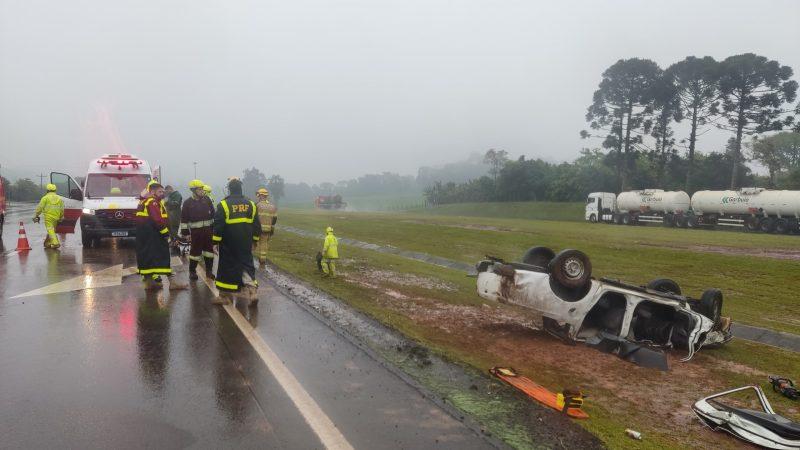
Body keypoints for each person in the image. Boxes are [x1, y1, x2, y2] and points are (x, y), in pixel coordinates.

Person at [212, 178, 260, 305]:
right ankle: (253, 291)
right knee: (246, 265)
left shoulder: (223, 204)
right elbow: (256, 225)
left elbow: (218, 226)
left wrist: (215, 242)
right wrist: (254, 241)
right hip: (245, 243)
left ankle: (223, 296)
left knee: (226, 268)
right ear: (240, 189)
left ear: (229, 189)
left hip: (228, 243)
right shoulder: (251, 204)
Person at [135, 180, 186, 291]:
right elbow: (158, 220)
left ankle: (149, 284)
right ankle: (172, 283)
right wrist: (166, 234)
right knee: (164, 258)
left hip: (145, 237)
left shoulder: (143, 201)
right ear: (152, 191)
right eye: (160, 191)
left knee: (147, 260)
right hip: (154, 236)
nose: (163, 193)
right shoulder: (152, 202)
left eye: (163, 191)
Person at [180, 179, 215, 280]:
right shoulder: (187, 203)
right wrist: (186, 234)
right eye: (199, 189)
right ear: (193, 190)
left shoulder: (207, 200)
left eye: (202, 189)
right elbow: (184, 220)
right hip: (196, 233)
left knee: (209, 252)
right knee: (195, 253)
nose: (202, 191)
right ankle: (192, 271)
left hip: (208, 232)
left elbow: (213, 214)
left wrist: (214, 230)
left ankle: (209, 271)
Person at [33, 183, 65, 249]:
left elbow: (40, 208)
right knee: (52, 230)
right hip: (56, 217)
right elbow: (62, 209)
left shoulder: (45, 198)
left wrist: (36, 215)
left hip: (48, 218)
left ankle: (55, 243)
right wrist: (61, 217)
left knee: (50, 230)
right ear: (55, 190)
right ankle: (48, 243)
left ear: (47, 190)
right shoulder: (59, 198)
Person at [254, 187, 278, 269]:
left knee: (252, 244)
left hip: (256, 230)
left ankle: (248, 260)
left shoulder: (257, 205)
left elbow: (253, 218)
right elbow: (274, 220)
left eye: (258, 196)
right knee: (264, 246)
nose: (258, 197)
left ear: (261, 195)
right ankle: (262, 263)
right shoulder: (273, 206)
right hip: (267, 230)